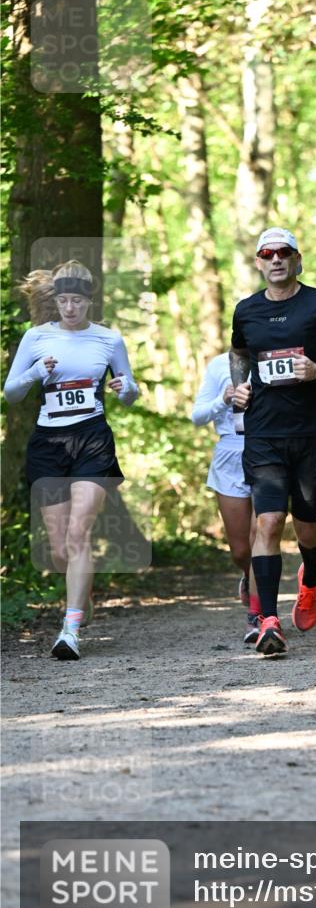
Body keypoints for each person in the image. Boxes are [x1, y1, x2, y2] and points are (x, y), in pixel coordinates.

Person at [229, 227, 316, 659]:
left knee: (306, 524)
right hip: (264, 434)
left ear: (296, 259)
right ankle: (269, 620)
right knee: (268, 523)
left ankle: (310, 577)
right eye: (267, 254)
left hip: (312, 436)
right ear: (258, 263)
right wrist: (238, 388)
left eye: (283, 253)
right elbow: (238, 355)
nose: (275, 260)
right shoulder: (246, 310)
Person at [3, 260, 139, 660]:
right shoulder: (36, 337)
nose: (69, 307)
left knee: (79, 535)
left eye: (76, 300)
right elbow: (11, 392)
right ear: (55, 300)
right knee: (61, 549)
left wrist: (123, 386)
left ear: (88, 302)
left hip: (92, 438)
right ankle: (82, 593)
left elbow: (129, 390)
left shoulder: (108, 340)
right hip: (48, 443)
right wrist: (33, 373)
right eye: (63, 300)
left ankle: (70, 628)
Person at [191, 352, 262, 645]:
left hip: (268, 450)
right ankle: (248, 574)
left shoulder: (273, 356)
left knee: (264, 534)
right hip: (229, 454)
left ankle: (257, 614)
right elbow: (197, 416)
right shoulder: (219, 365)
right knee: (240, 550)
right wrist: (222, 399)